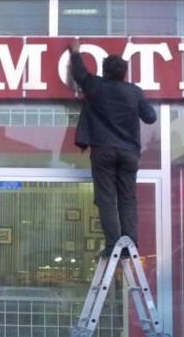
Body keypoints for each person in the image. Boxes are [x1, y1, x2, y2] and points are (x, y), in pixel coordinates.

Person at [67, 39, 157, 257]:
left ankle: (113, 245)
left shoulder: (96, 86)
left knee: (106, 199)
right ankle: (129, 245)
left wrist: (75, 52)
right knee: (128, 199)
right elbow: (151, 117)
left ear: (104, 71)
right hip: (129, 153)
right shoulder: (135, 92)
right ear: (124, 73)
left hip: (104, 151)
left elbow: (79, 73)